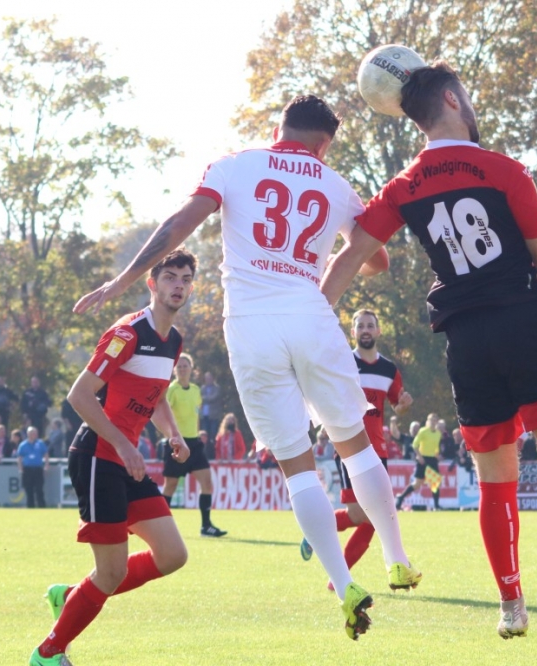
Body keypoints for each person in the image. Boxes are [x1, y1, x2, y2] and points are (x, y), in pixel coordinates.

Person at [73, 95, 417, 640]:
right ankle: (397, 555)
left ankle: (341, 581)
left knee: (297, 468)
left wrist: (121, 282)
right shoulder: (334, 184)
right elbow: (376, 257)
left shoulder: (234, 165)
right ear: (324, 143)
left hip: (251, 328)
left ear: (278, 128)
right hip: (310, 314)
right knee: (355, 445)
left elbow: (180, 223)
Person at [320, 61, 537, 643]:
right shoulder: (503, 169)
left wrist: (306, 322)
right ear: (455, 100)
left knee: (495, 480)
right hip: (523, 321)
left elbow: (349, 257)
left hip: (464, 340)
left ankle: (511, 603)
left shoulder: (402, 186)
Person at [28, 251, 194, 666]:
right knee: (111, 572)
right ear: (151, 284)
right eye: (170, 277)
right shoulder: (127, 332)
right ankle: (48, 654)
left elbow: (154, 397)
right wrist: (123, 445)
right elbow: (79, 396)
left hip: (125, 458)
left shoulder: (174, 340)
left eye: (186, 279)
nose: (178, 285)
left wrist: (173, 433)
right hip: (98, 456)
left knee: (172, 555)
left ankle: (72, 598)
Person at [302, 309, 413, 580]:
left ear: (378, 331)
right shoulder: (342, 363)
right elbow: (323, 393)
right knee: (363, 514)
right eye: (360, 325)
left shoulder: (389, 370)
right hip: (349, 448)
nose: (365, 330)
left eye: (370, 325)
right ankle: (324, 549)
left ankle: (333, 570)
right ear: (353, 332)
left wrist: (403, 407)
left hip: (379, 451)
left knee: (372, 517)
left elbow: (398, 405)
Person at [162, 352, 226, 537]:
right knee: (171, 486)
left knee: (207, 482)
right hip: (176, 442)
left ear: (191, 369)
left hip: (194, 444)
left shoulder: (196, 390)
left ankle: (206, 526)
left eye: (185, 366)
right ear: (175, 370)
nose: (182, 369)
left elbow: (195, 415)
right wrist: (171, 437)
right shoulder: (171, 390)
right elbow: (163, 415)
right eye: (179, 366)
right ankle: (161, 527)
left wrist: (198, 433)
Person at [395, 413, 443, 510]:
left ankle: (437, 506)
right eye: (431, 420)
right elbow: (415, 444)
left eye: (435, 420)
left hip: (432, 459)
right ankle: (401, 497)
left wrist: (437, 454)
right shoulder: (423, 431)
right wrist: (419, 456)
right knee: (417, 483)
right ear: (428, 421)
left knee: (435, 483)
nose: (433, 422)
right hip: (423, 459)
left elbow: (436, 447)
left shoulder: (438, 434)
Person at [18, 427, 50, 508]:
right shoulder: (23, 445)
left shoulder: (40, 443)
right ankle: (30, 506)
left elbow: (46, 454)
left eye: (35, 433)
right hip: (27, 469)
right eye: (32, 433)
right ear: (28, 434)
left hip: (38, 469)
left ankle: (42, 506)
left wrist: (46, 465)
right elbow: (19, 458)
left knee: (39, 489)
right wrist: (20, 468)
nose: (33, 435)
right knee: (29, 489)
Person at [200, 371, 224, 446]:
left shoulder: (217, 388)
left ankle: (214, 452)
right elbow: (199, 399)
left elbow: (213, 398)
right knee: (204, 435)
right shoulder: (202, 388)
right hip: (204, 415)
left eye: (210, 378)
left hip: (213, 416)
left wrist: (204, 398)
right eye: (207, 378)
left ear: (213, 379)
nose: (208, 380)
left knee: (213, 434)